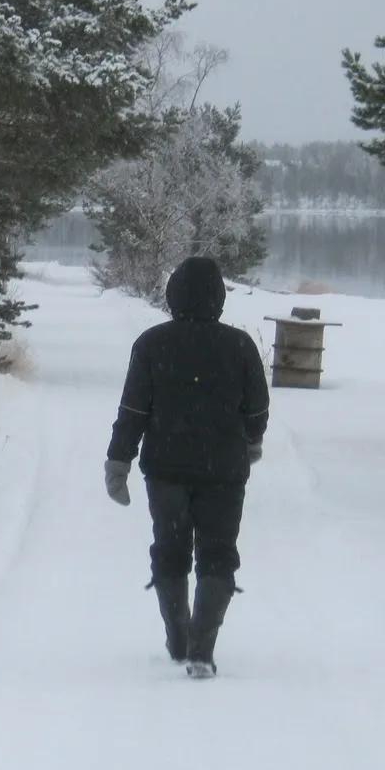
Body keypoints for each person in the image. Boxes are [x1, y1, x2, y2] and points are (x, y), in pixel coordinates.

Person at [104, 256, 269, 679]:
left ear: (173, 294)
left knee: (171, 550)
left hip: (166, 470)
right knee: (217, 555)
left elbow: (133, 409)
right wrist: (251, 441)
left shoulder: (152, 343)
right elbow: (258, 409)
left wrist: (119, 460)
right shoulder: (240, 346)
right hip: (224, 471)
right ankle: (201, 648)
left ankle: (178, 634)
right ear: (219, 297)